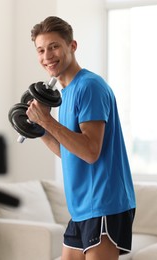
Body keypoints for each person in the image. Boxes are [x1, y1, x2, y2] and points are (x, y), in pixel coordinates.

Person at [26, 16, 136, 260]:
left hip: (103, 202)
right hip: (82, 208)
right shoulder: (65, 94)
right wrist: (40, 129)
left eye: (54, 46)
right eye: (41, 50)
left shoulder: (89, 87)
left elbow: (90, 151)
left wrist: (47, 121)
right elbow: (70, 152)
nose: (47, 56)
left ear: (72, 46)